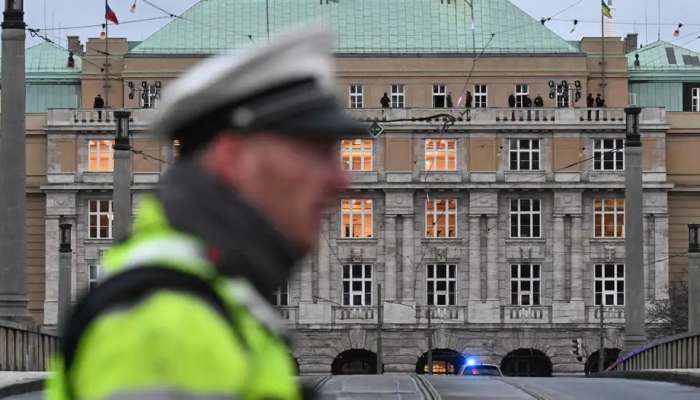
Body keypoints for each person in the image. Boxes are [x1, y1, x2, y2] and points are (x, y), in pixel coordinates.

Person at [47, 26, 365, 400]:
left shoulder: (218, 297)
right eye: (314, 152)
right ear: (233, 158)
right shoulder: (166, 325)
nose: (340, 179)